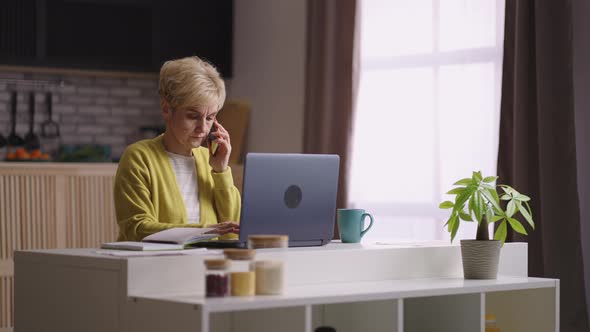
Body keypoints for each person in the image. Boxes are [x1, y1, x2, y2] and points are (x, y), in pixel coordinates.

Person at [114, 56, 240, 241]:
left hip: (204, 265)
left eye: (210, 117)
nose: (203, 128)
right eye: (192, 116)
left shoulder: (211, 161)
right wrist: (204, 231)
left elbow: (232, 233)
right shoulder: (139, 157)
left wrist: (221, 171)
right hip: (151, 266)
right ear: (166, 109)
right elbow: (137, 227)